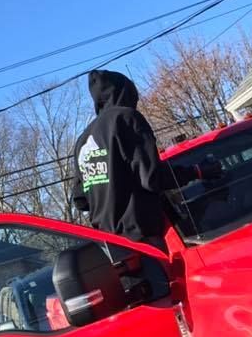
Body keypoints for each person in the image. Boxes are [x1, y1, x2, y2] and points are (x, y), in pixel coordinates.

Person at [71, 69, 218, 251]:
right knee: (165, 279)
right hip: (142, 239)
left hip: (110, 246)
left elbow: (80, 200)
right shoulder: (126, 118)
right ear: (125, 93)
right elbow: (151, 177)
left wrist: (108, 191)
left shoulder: (82, 140)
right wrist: (197, 171)